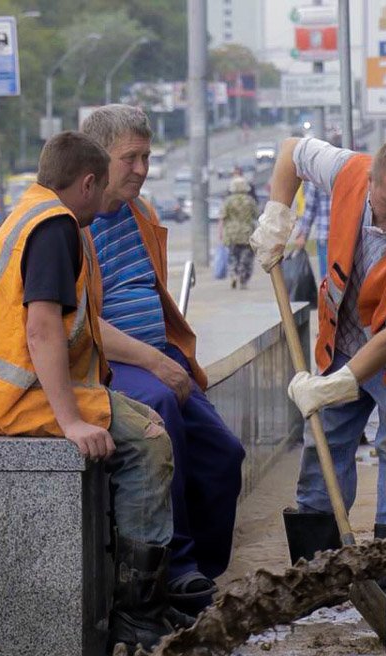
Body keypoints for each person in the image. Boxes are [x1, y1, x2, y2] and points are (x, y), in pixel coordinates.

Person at [0, 131, 185, 654]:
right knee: (149, 443)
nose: (104, 199)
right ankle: (138, 618)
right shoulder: (56, 226)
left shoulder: (33, 211)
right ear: (87, 183)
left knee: (146, 423)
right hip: (4, 399)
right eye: (102, 186)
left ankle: (139, 602)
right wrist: (72, 422)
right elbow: (41, 330)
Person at [252, 137, 386, 633]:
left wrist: (339, 383)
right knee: (323, 447)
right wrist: (278, 213)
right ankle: (317, 575)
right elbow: (290, 151)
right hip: (342, 339)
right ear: (370, 182)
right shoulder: (348, 171)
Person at [80, 104, 246, 613]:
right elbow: (81, 322)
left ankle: (202, 574)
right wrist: (154, 362)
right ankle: (175, 569)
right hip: (109, 364)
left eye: (146, 157)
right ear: (97, 158)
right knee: (161, 409)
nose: (141, 169)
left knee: (224, 452)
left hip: (157, 352)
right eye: (130, 158)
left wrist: (167, 356)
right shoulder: (75, 223)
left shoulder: (142, 213)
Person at [221, 175, 258, 289]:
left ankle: (233, 274)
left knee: (233, 256)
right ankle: (243, 278)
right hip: (247, 232)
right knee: (246, 258)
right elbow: (256, 215)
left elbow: (223, 217)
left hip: (231, 233)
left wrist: (221, 232)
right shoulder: (250, 200)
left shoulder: (228, 201)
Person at [292, 181, 330, 280]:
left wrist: (303, 235)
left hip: (325, 235)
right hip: (338, 236)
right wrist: (303, 234)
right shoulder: (348, 174)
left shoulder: (317, 177)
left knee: (327, 279)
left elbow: (310, 208)